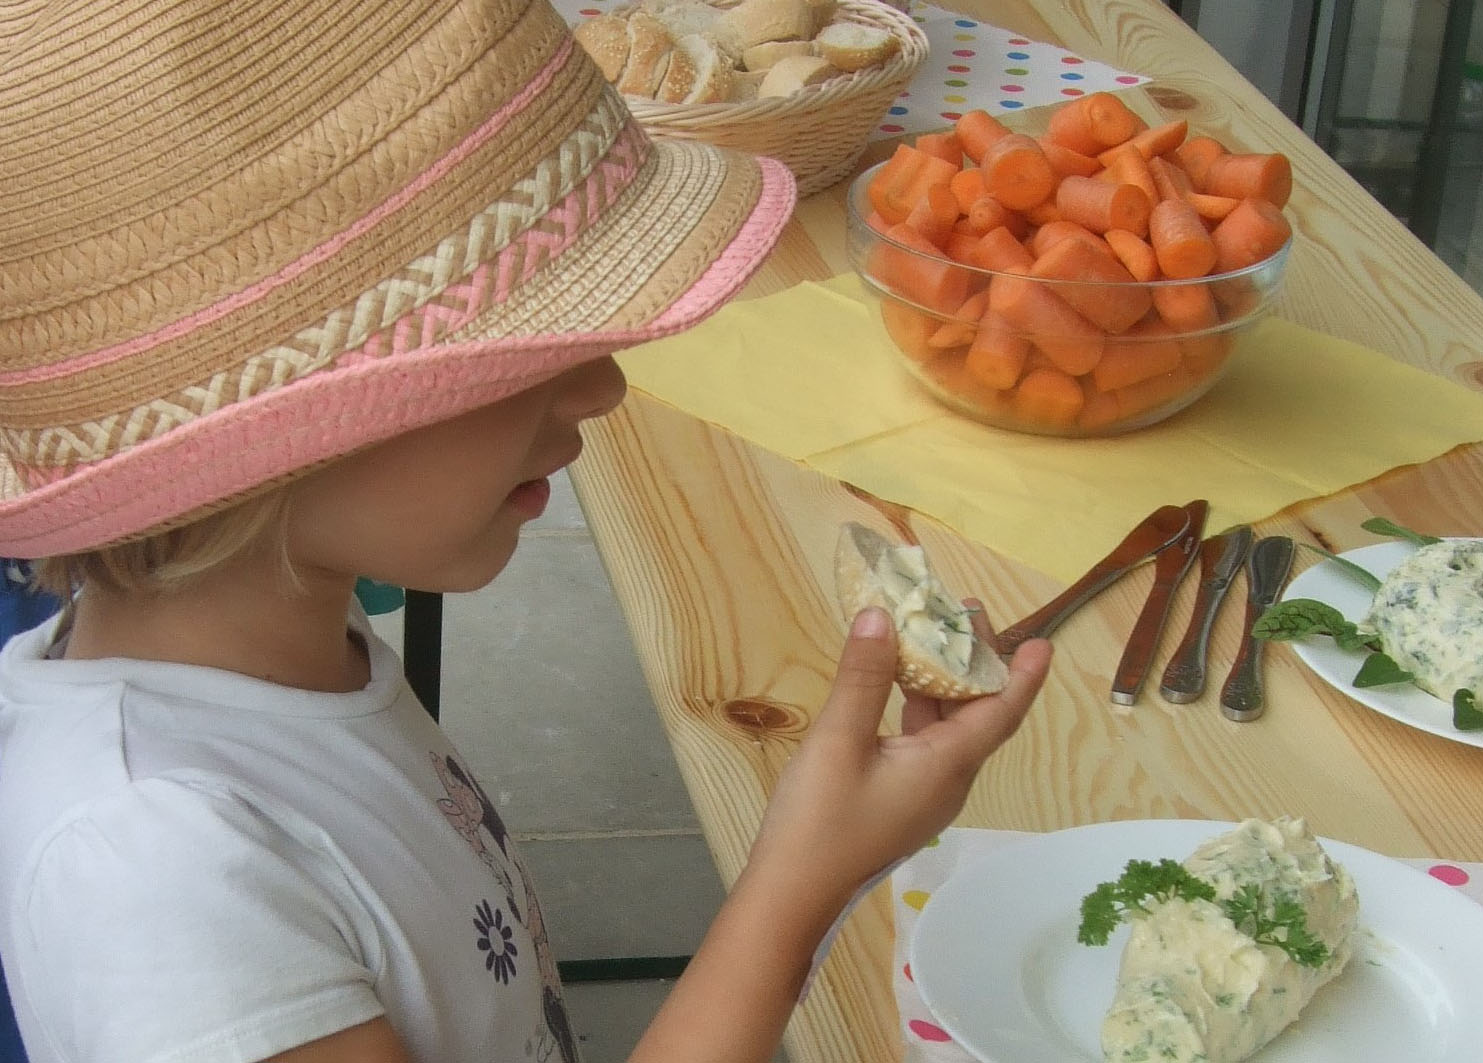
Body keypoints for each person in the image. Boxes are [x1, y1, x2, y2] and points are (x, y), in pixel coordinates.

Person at [0, 0, 1054, 1061]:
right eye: (524, 353)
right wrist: (799, 884)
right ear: (274, 444)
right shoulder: (155, 871)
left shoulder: (285, 651)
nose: (602, 387)